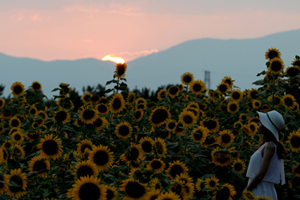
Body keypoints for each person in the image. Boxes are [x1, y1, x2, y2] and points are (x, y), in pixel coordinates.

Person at [242, 110, 287, 200]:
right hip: (259, 189)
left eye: (261, 122)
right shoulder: (266, 146)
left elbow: (260, 175)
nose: (258, 123)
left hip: (262, 191)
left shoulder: (270, 146)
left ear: (267, 127)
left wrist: (245, 192)